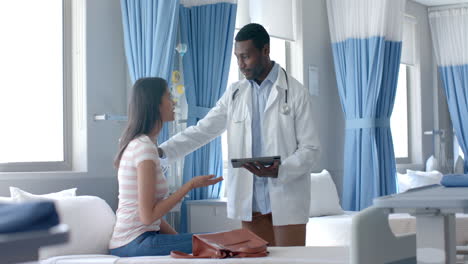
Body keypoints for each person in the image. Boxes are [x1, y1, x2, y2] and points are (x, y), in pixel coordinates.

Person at [159, 23, 320, 246]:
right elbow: (203, 130)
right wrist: (162, 151)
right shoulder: (235, 93)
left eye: (246, 57)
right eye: (237, 57)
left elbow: (310, 149)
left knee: (291, 262)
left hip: (286, 199)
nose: (241, 64)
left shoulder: (295, 92)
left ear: (265, 50)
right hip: (251, 203)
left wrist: (280, 170)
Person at [109, 77, 223, 257]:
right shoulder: (144, 148)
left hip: (137, 240)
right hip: (134, 243)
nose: (174, 102)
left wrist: (178, 241)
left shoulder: (143, 145)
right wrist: (189, 186)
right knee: (223, 241)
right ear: (155, 104)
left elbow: (152, 220)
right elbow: (148, 216)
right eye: (169, 97)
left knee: (217, 241)